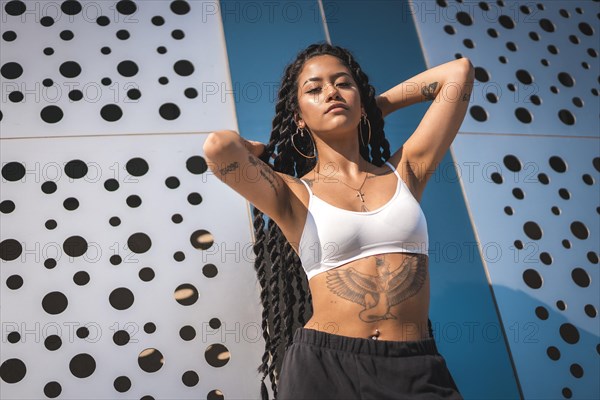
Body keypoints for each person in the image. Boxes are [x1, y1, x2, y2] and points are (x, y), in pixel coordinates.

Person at [203, 43, 474, 399]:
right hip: (326, 366)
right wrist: (255, 150)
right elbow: (218, 149)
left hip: (415, 364)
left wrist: (374, 107)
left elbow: (459, 74)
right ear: (298, 116)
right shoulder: (291, 194)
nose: (331, 92)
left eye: (343, 84)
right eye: (314, 90)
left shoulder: (405, 172)